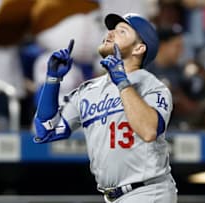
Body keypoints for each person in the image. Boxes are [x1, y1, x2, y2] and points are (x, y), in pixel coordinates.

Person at [33, 13, 177, 203]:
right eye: (111, 29)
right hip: (112, 196)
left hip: (148, 191)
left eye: (121, 31)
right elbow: (45, 131)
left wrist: (123, 83)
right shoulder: (89, 90)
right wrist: (52, 80)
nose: (110, 34)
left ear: (139, 48)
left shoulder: (152, 86)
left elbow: (149, 130)